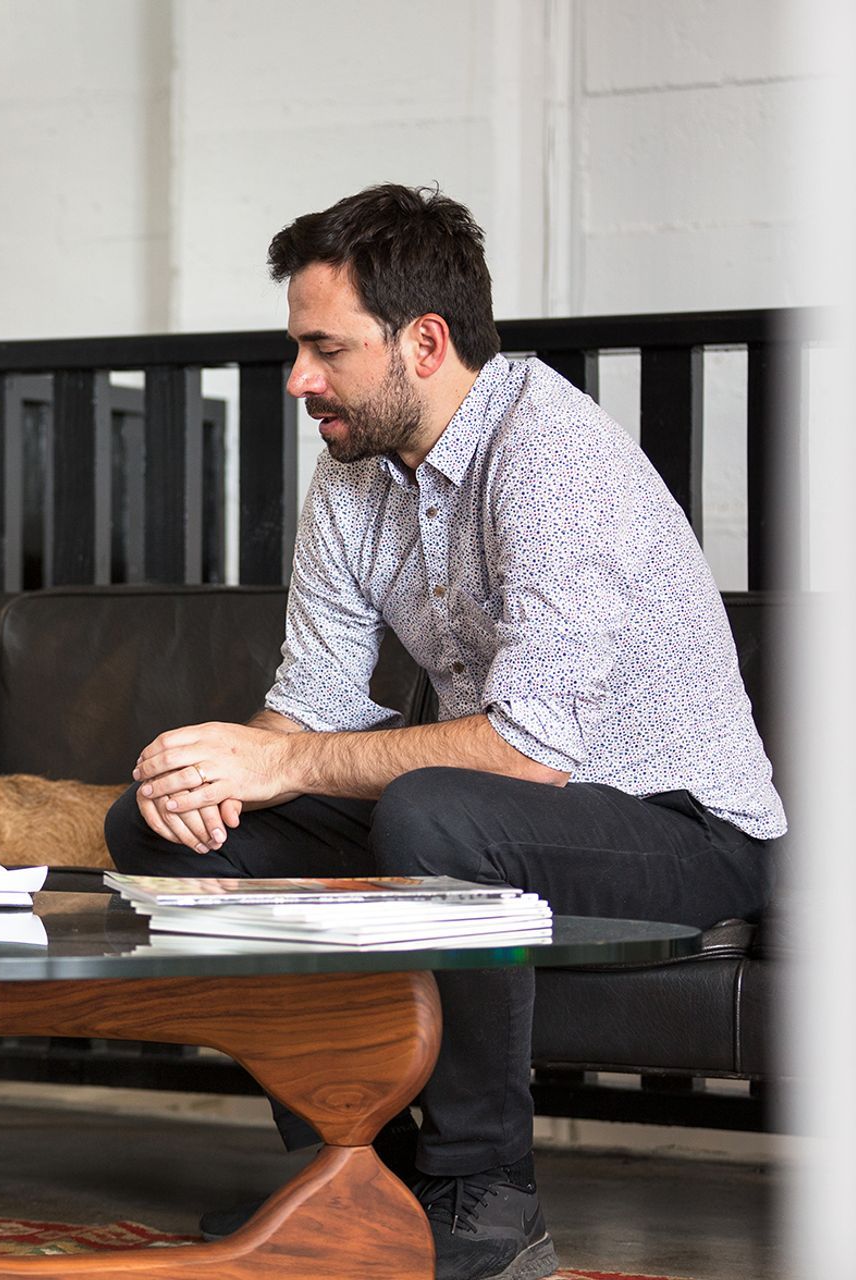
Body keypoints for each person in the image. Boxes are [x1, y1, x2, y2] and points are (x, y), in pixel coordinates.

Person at [104, 184, 781, 1280]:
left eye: (325, 348)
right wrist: (220, 773)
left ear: (424, 343)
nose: (298, 379)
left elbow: (527, 752)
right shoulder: (352, 471)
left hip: (681, 828)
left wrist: (283, 759)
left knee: (436, 812)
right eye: (297, 347)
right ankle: (354, 1170)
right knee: (158, 828)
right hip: (497, 815)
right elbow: (312, 703)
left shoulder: (553, 455)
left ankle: (487, 1195)